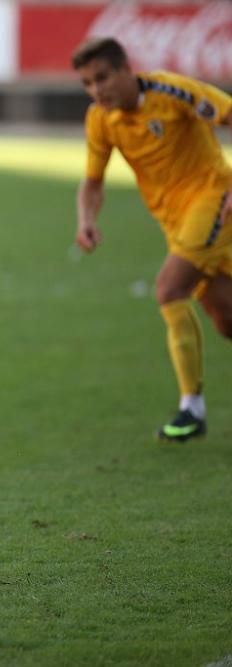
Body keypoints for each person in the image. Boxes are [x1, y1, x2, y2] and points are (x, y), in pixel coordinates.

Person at [72, 37, 232, 443]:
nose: (97, 90)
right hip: (174, 222)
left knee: (169, 288)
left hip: (214, 200)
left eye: (103, 78)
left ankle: (190, 409)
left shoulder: (172, 92)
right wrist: (87, 219)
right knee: (225, 317)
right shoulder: (101, 119)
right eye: (88, 83)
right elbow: (92, 182)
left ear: (127, 69)